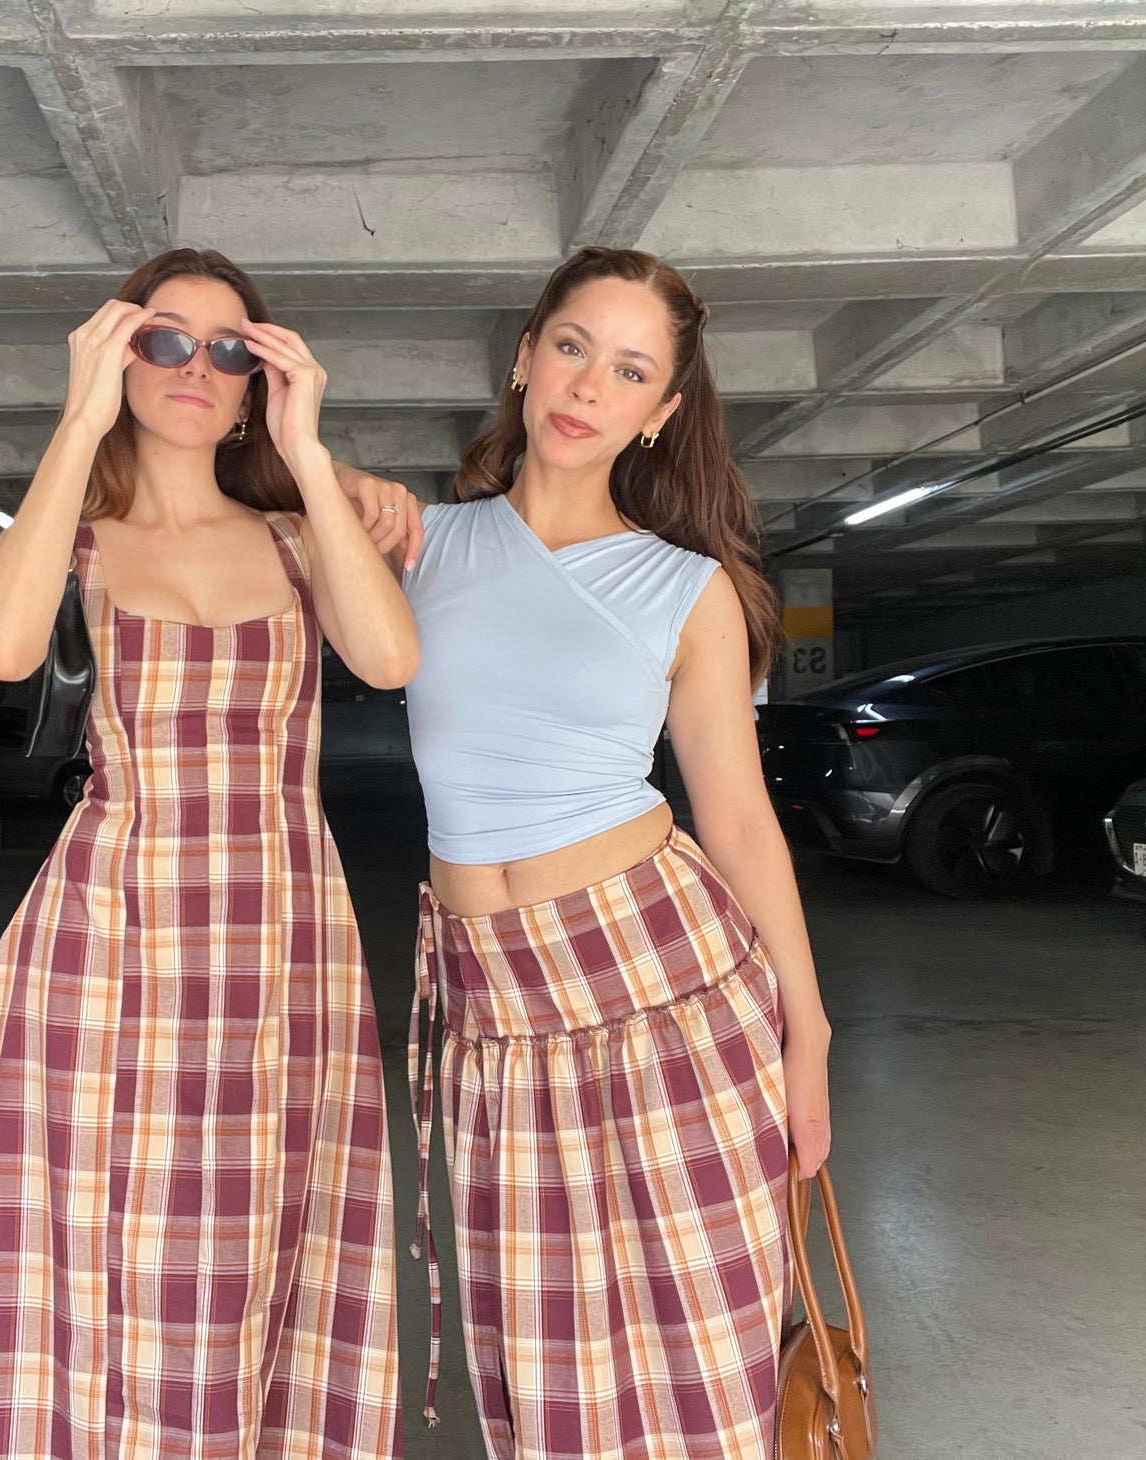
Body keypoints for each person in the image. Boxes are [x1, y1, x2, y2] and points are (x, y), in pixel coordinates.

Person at [0, 248, 416, 1460]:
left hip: (281, 931)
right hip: (116, 933)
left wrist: (312, 452)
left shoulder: (296, 535)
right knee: (114, 1237)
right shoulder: (80, 541)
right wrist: (78, 416)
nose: (194, 366)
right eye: (164, 339)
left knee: (258, 1230)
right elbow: (0, 649)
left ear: (256, 380)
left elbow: (388, 659)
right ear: (120, 355)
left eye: (230, 349)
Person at [345, 245, 832, 1459]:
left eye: (627, 369)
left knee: (700, 1354)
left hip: (667, 986)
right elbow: (256, 495)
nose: (585, 386)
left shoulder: (686, 587)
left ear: (660, 410)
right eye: (569, 346)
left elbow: (736, 819)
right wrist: (338, 477)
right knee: (547, 1371)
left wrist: (808, 1033)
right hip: (496, 1014)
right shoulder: (420, 543)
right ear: (524, 356)